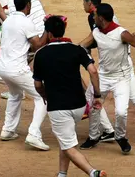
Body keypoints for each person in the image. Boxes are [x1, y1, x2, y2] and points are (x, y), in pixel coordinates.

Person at [79, 0, 135, 148]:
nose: (94, 18)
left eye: (96, 17)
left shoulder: (121, 33)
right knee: (92, 102)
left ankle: (119, 136)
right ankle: (94, 136)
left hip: (122, 73)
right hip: (105, 74)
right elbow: (83, 44)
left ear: (101, 18)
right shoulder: (98, 30)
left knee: (121, 111)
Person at [33, 15, 108, 177]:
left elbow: (38, 85)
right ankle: (62, 174)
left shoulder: (40, 54)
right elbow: (93, 71)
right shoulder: (77, 49)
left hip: (58, 107)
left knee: (68, 146)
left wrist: (45, 95)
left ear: (49, 34)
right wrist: (97, 95)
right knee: (65, 137)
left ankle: (93, 172)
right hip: (79, 106)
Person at [0, 0, 49, 150]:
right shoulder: (26, 22)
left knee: (15, 95)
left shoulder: (8, 21)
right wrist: (47, 27)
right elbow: (38, 45)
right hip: (17, 69)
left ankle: (8, 130)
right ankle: (33, 134)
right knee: (43, 98)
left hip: (3, 68)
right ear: (28, 6)